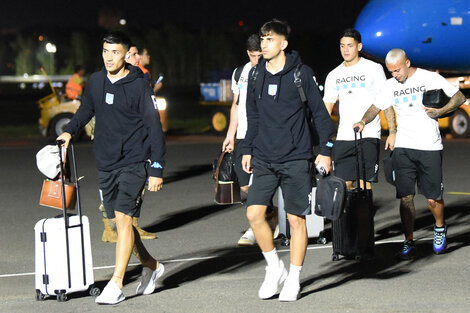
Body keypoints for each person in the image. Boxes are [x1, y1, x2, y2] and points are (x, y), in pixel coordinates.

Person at [57, 31, 166, 305]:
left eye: (115, 52)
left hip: (133, 160)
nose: (109, 57)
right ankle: (152, 265)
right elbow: (85, 110)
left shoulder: (140, 85)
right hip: (105, 162)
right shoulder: (95, 81)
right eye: (105, 51)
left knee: (124, 217)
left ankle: (116, 283)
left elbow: (154, 127)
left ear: (127, 54)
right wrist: (70, 131)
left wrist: (156, 167)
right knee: (120, 223)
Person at [241, 19, 335, 301]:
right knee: (254, 214)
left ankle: (294, 278)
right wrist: (247, 148)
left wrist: (326, 150)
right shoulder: (255, 75)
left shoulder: (301, 74)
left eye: (269, 39)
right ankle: (275, 267)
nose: (263, 44)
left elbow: (320, 114)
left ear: (283, 43)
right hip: (265, 158)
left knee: (296, 220)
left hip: (296, 158)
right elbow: (253, 116)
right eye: (262, 39)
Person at [353, 48, 466, 260]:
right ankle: (409, 240)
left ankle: (440, 228)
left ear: (407, 62)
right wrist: (363, 121)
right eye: (391, 71)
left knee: (433, 198)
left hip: (429, 146)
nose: (395, 75)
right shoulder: (390, 85)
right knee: (406, 197)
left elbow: (459, 97)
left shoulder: (429, 77)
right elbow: (376, 107)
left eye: (397, 70)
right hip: (404, 147)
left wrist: (441, 112)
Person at [323, 28, 396, 194]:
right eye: (342, 46)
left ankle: (365, 220)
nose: (345, 50)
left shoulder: (373, 68)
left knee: (364, 184)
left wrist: (392, 131)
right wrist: (323, 142)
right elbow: (325, 110)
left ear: (359, 46)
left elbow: (385, 101)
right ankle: (348, 220)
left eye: (350, 45)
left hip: (368, 134)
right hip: (343, 136)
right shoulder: (334, 75)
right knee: (344, 185)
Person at [222, 34, 278, 246]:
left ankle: (256, 225)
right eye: (253, 56)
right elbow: (236, 105)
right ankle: (270, 216)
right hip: (244, 135)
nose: (257, 60)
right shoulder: (240, 73)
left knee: (262, 182)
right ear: (248, 54)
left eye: (260, 55)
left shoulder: (270, 70)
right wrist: (230, 134)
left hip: (264, 135)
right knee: (245, 187)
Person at [99, 43, 157, 243]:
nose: (137, 58)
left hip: (134, 142)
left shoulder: (139, 77)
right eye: (132, 54)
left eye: (137, 54)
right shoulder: (109, 78)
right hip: (115, 144)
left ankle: (131, 226)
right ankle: (111, 227)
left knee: (132, 189)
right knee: (113, 187)